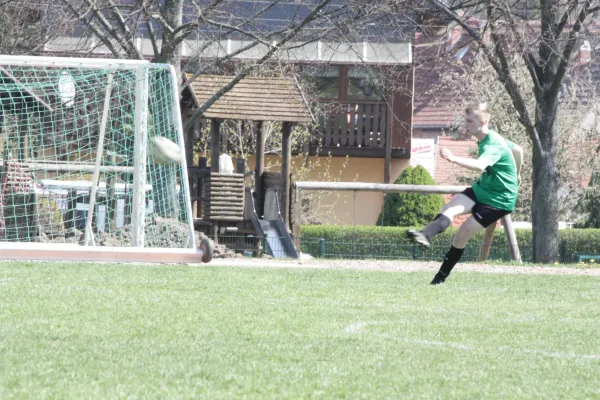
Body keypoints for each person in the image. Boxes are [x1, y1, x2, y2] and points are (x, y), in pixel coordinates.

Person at [407, 103, 523, 284]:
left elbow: (480, 165)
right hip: (483, 189)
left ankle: (439, 278)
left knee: (462, 234)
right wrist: (517, 174)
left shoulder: (492, 144)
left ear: (482, 122)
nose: (466, 124)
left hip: (499, 200)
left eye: (470, 121)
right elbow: (518, 150)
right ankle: (424, 235)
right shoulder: (491, 137)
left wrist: (453, 158)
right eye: (466, 120)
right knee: (450, 208)